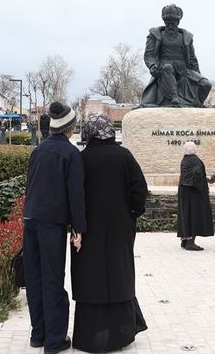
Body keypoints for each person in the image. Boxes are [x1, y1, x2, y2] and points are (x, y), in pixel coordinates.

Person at [71, 114, 148, 353]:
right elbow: (140, 190)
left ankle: (91, 335)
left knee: (90, 275)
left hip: (88, 229)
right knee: (118, 271)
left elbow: (74, 194)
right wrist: (132, 212)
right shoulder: (124, 156)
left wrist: (76, 226)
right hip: (120, 227)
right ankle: (121, 334)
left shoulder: (82, 159)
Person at [23, 101, 86, 354]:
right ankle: (55, 340)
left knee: (34, 279)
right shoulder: (71, 154)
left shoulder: (38, 151)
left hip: (31, 220)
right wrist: (78, 228)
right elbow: (76, 194)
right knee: (52, 279)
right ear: (69, 128)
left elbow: (30, 186)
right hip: (52, 225)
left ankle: (38, 334)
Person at [140, 3, 212, 107]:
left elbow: (192, 59)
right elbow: (149, 55)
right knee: (168, 68)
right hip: (164, 69)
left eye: (173, 23)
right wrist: (152, 66)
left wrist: (198, 76)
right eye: (167, 23)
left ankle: (196, 104)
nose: (170, 25)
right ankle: (174, 98)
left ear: (178, 22)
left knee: (206, 84)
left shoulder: (186, 37)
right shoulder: (155, 35)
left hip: (184, 70)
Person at [176, 141, 214, 251]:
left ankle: (185, 240)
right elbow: (197, 174)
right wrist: (200, 187)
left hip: (183, 190)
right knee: (193, 215)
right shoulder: (196, 161)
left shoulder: (184, 160)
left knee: (185, 214)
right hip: (193, 192)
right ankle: (190, 242)